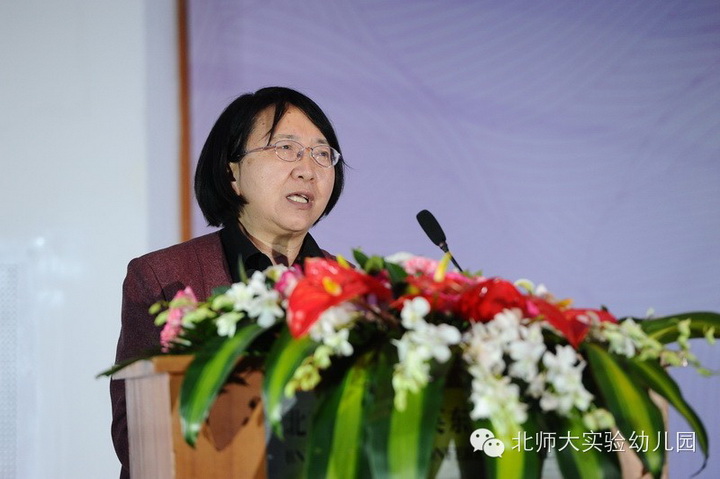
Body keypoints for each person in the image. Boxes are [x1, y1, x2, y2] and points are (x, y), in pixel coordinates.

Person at [110, 86, 346, 478]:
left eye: (322, 154)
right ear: (232, 171)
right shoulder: (164, 277)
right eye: (286, 148)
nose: (308, 169)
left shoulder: (351, 288)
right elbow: (137, 436)